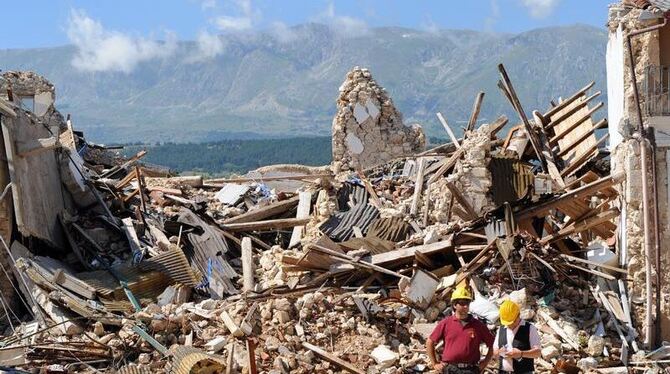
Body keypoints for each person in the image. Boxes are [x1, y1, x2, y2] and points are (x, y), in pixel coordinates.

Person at [426, 285, 495, 374]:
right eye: (462, 303)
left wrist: (484, 363)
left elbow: (493, 345)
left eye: (467, 303)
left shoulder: (478, 325)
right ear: (454, 305)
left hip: (470, 370)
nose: (466, 306)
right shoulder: (446, 323)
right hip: (450, 369)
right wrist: (434, 363)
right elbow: (429, 342)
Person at [493, 300, 541, 374]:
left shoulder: (530, 329)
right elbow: (495, 351)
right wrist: (500, 352)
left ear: (518, 316)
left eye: (512, 322)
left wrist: (521, 353)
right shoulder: (501, 329)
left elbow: (537, 353)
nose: (509, 325)